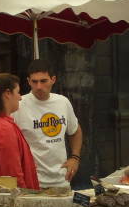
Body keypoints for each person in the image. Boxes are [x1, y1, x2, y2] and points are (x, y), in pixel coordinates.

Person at [13, 59, 83, 189]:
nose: (39, 86)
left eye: (43, 81)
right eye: (34, 81)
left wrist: (75, 158)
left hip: (62, 180)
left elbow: (75, 131)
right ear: (28, 81)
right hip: (32, 183)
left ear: (53, 79)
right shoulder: (18, 105)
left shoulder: (63, 102)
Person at [0, 73, 40, 190]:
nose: (20, 97)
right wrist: (25, 200)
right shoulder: (3, 128)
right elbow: (13, 177)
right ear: (7, 94)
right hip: (6, 201)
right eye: (18, 92)